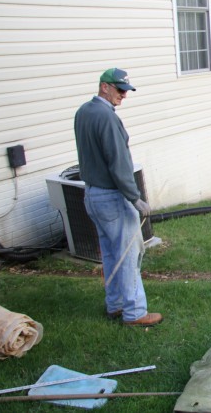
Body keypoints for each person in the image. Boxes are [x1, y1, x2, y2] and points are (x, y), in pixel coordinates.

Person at [74, 68, 162, 326]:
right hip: (112, 197)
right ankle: (135, 313)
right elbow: (118, 162)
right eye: (120, 89)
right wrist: (135, 198)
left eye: (126, 90)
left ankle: (115, 305)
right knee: (129, 255)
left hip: (92, 195)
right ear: (104, 87)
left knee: (111, 253)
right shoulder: (107, 118)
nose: (124, 95)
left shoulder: (84, 112)